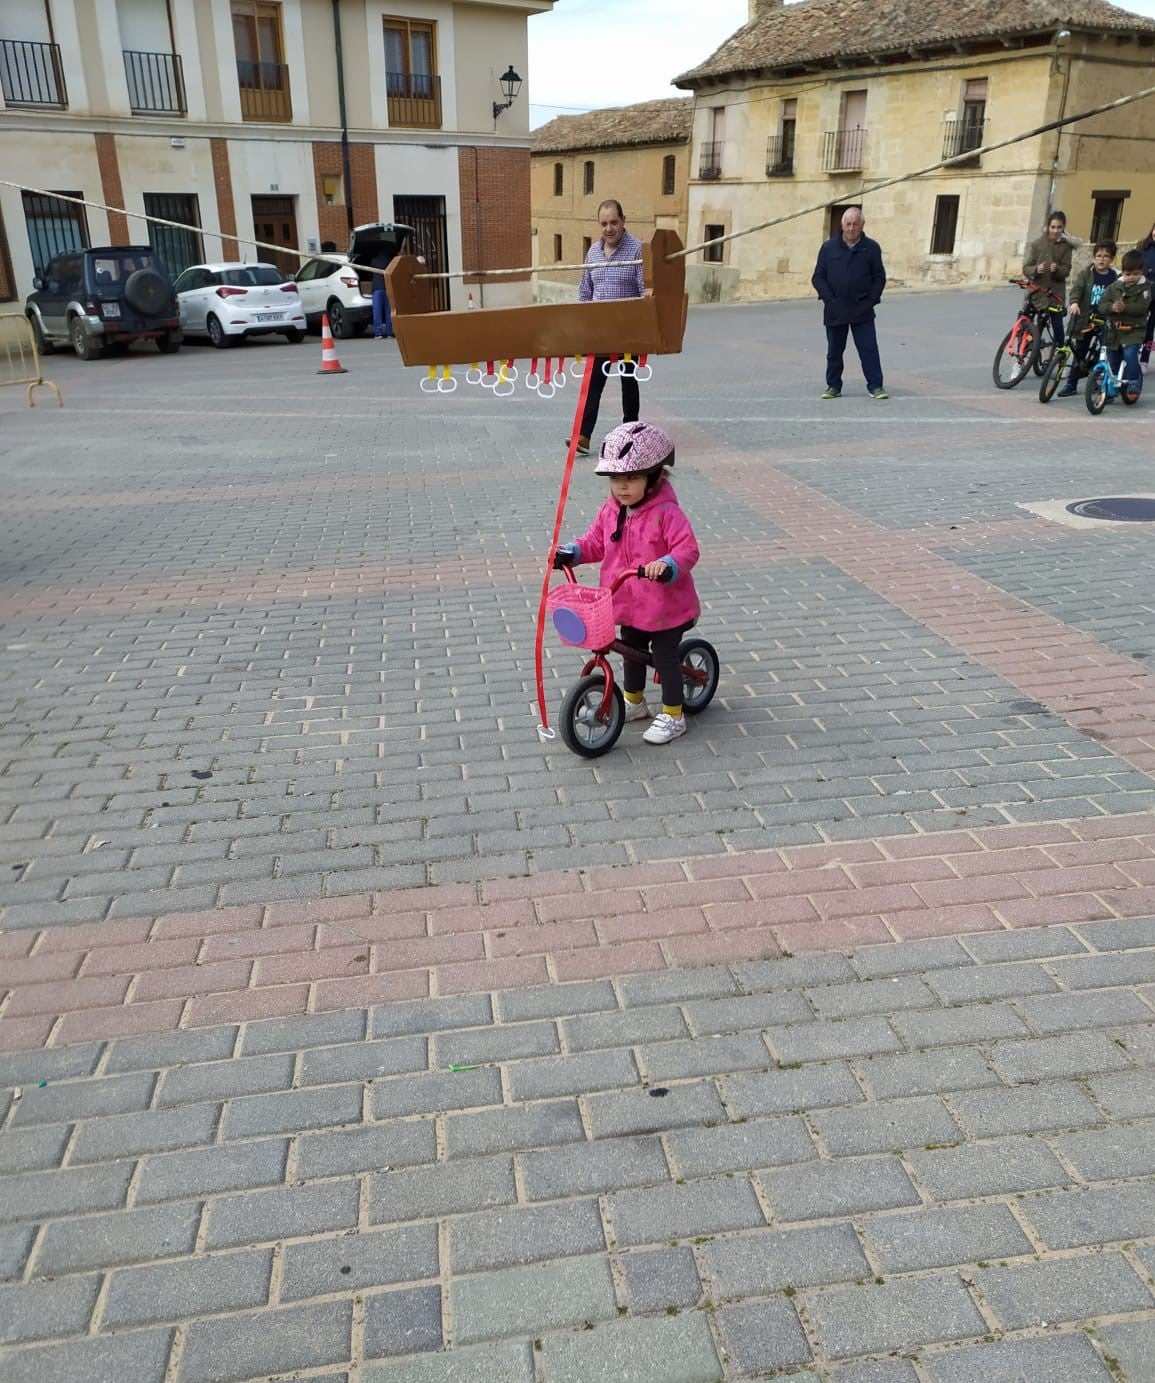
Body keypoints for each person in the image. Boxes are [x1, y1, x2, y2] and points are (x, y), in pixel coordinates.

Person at [553, 422, 700, 745]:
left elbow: (687, 549)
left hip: (665, 608)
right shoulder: (613, 510)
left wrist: (667, 564)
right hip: (627, 603)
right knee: (631, 652)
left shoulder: (666, 513)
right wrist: (572, 552)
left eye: (631, 478)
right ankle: (634, 702)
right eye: (616, 479)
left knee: (664, 658)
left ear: (655, 477)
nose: (622, 487)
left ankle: (674, 714)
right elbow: (596, 541)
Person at [574, 200, 645, 456]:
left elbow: (644, 293)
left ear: (623, 220)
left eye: (613, 222)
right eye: (604, 223)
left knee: (629, 382)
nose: (609, 228)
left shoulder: (637, 250)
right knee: (593, 383)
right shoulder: (592, 253)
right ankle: (583, 436)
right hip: (599, 333)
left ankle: (631, 434)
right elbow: (584, 292)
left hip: (627, 333)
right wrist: (582, 328)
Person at [811, 206, 887, 400]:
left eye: (855, 224)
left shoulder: (872, 248)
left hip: (862, 309)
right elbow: (818, 277)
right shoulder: (828, 248)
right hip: (836, 309)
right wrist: (830, 300)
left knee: (869, 349)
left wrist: (871, 300)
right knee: (835, 351)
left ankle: (876, 386)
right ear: (842, 225)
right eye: (848, 224)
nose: (851, 228)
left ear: (862, 225)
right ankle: (833, 386)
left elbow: (879, 277)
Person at [1058, 240, 1117, 397]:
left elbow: (1118, 296)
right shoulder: (1085, 274)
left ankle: (1097, 381)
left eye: (1106, 256)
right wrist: (1075, 303)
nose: (1101, 259)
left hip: (1105, 320)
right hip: (1085, 319)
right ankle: (1071, 384)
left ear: (1112, 259)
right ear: (1093, 258)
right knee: (1080, 350)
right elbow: (1076, 290)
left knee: (1104, 352)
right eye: (1098, 256)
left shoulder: (1115, 277)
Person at [1099, 248, 1151, 401]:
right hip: (1115, 330)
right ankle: (1112, 387)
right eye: (1128, 274)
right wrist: (1111, 307)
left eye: (1135, 274)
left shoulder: (1145, 288)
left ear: (1141, 272)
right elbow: (1102, 304)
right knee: (1112, 358)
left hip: (1134, 330)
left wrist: (1125, 307)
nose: (1131, 278)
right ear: (1122, 272)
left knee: (1129, 354)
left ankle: (1134, 381)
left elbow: (1142, 308)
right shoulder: (1115, 286)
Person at [1023, 211, 1072, 347]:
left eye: (1059, 227)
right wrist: (1035, 270)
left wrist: (1057, 270)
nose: (1055, 231)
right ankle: (1024, 354)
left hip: (1055, 294)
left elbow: (1066, 270)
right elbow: (1026, 268)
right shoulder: (1037, 244)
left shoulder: (1066, 247)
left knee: (1057, 325)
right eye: (1053, 227)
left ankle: (1060, 352)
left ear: (1063, 228)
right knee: (1026, 324)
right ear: (1048, 227)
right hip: (1037, 292)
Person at [1138, 220, 1155, 366]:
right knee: (1136, 323)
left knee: (1151, 328)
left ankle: (1144, 358)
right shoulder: (1143, 246)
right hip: (1141, 292)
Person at [369, 247, 394, 339]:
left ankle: (378, 333)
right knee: (388, 312)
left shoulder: (374, 260)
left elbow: (370, 274)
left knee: (377, 312)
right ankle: (389, 333)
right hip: (388, 288)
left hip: (377, 288)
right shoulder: (390, 262)